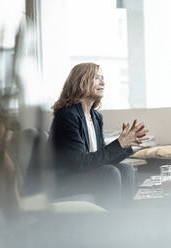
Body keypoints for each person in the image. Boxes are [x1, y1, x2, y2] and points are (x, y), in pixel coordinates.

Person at [48, 62, 148, 207]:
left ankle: (124, 221)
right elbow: (81, 163)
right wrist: (119, 143)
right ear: (80, 81)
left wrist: (126, 145)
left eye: (102, 78)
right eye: (96, 78)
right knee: (110, 173)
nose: (103, 82)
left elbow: (101, 157)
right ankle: (107, 225)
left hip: (82, 173)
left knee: (127, 169)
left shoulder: (96, 117)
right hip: (65, 180)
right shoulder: (67, 115)